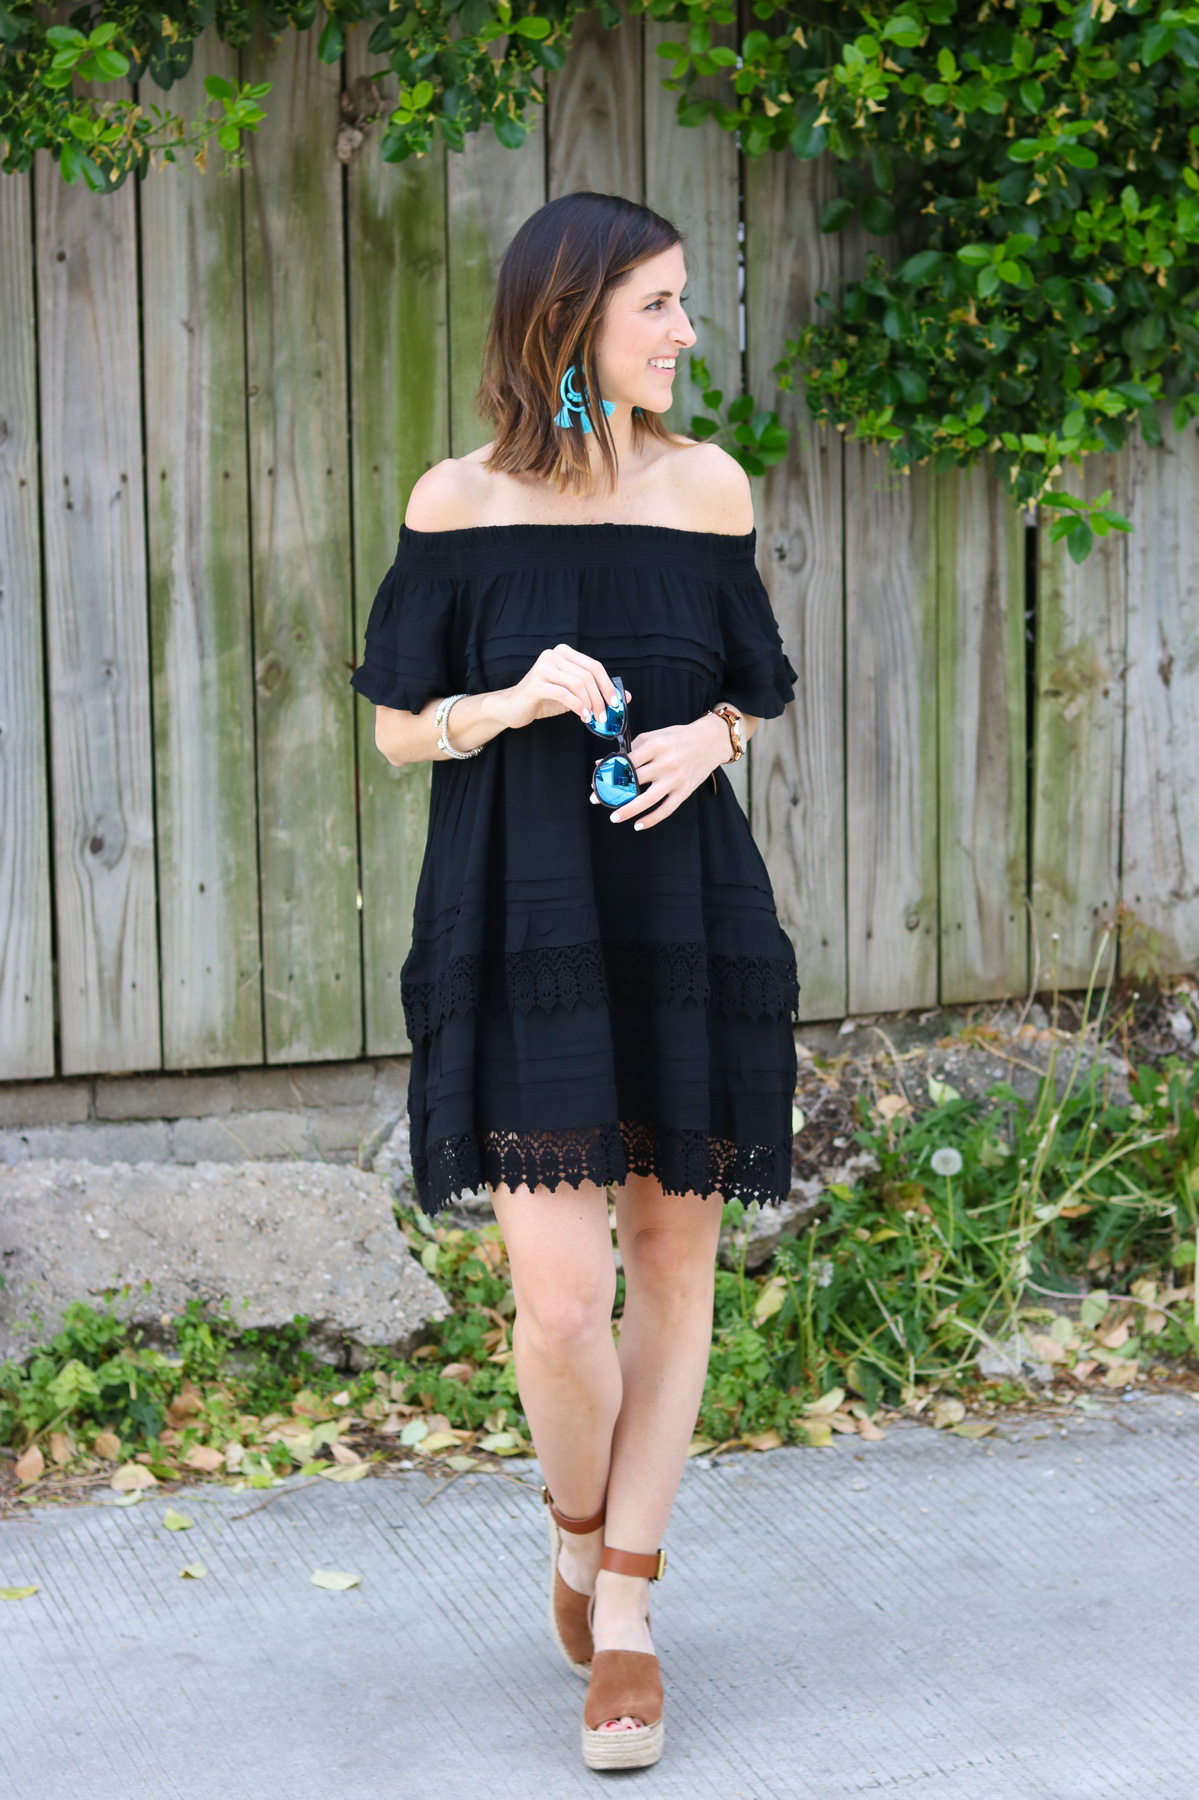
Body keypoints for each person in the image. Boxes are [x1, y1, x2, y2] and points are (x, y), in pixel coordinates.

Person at [352, 191, 799, 1771]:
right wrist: (509, 697)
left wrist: (712, 735)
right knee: (558, 1306)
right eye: (658, 305)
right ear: (568, 323)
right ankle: (571, 1526)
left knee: (675, 1272)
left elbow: (755, 684)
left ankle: (626, 1609)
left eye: (683, 303)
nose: (686, 333)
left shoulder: (706, 489)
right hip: (518, 916)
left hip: (685, 913)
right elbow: (401, 725)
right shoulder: (458, 503)